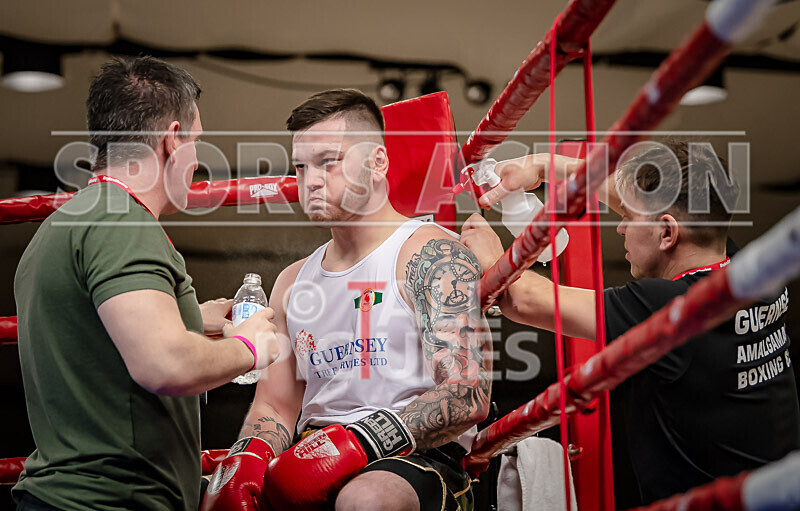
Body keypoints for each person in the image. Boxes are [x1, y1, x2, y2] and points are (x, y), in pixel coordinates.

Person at [460, 139, 800, 506]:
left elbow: (522, 299)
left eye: (630, 218)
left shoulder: (671, 308)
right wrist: (541, 166)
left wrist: (488, 250)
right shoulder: (747, 272)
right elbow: (647, 204)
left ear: (667, 233)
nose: (621, 227)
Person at [201, 89, 492, 511]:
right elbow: (275, 406)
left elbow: (467, 393)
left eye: (328, 161)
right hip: (309, 457)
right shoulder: (293, 281)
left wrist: (358, 442)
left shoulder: (430, 254)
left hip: (416, 456)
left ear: (377, 162)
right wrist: (249, 457)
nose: (311, 180)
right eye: (301, 166)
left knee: (365, 499)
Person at [12, 56, 280, 511]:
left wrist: (190, 318)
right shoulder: (123, 224)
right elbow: (164, 364)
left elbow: (98, 341)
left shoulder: (63, 224)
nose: (197, 161)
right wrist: (248, 348)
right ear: (173, 140)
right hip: (110, 502)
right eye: (197, 141)